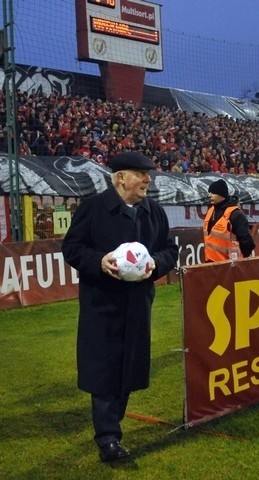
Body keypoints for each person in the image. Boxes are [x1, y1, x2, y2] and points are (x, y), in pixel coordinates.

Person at [61, 151, 179, 463]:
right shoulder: (93, 208)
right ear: (120, 177)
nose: (147, 179)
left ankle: (112, 425)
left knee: (128, 369)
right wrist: (98, 261)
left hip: (138, 304)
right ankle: (108, 438)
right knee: (103, 370)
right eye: (141, 173)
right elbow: (72, 248)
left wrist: (157, 262)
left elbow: (170, 249)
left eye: (148, 174)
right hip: (103, 304)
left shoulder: (154, 212)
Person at [202, 179, 256, 262]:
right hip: (211, 265)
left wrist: (239, 260)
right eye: (209, 192)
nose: (209, 195)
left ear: (222, 194)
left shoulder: (235, 214)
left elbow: (247, 243)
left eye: (213, 193)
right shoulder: (210, 211)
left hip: (229, 267)